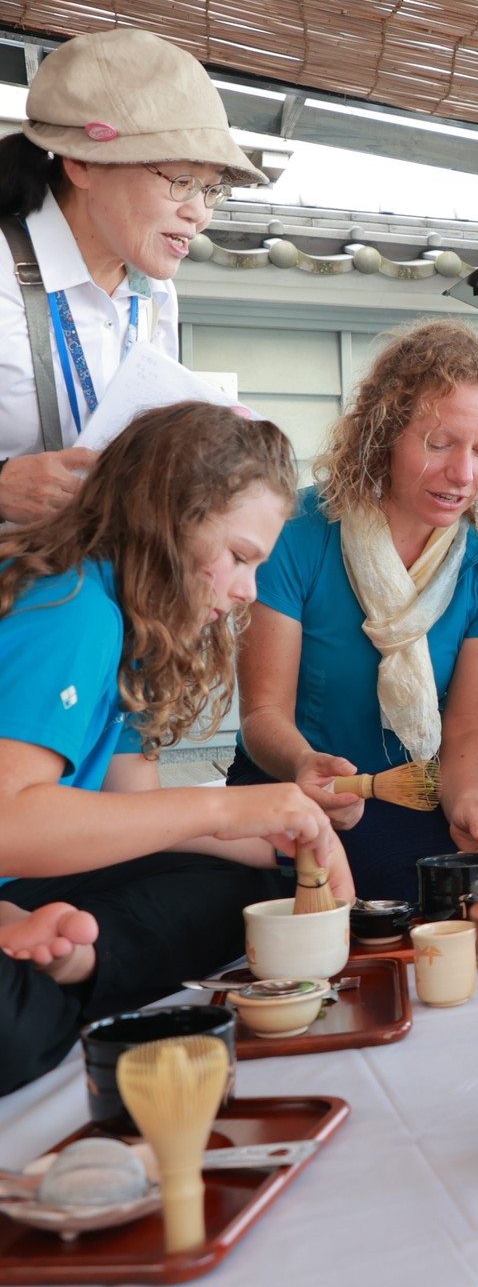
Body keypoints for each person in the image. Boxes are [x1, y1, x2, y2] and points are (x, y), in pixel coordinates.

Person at [0, 401, 351, 1096]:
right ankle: (68, 961)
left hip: (28, 879)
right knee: (15, 1029)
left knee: (254, 887)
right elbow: (10, 826)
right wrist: (225, 812)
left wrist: (274, 833)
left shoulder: (129, 616)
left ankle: (69, 956)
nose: (247, 590)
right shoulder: (72, 609)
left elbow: (135, 806)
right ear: (167, 518)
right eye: (240, 558)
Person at [231, 319, 478, 902]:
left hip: (428, 790)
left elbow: (469, 724)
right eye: (439, 443)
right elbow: (264, 713)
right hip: (298, 785)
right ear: (385, 433)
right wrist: (305, 764)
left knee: (470, 911)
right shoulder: (294, 534)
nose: (463, 474)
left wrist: (470, 803)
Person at [0, 27, 266, 526]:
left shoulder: (154, 294)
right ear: (82, 161)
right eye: (182, 182)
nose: (199, 215)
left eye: (211, 190)